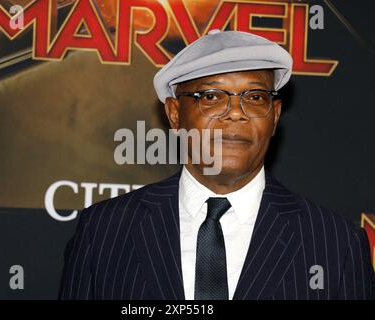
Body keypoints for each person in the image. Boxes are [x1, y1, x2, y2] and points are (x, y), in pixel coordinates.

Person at [59, 30, 375, 300]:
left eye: (254, 97)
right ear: (174, 113)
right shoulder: (104, 231)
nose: (235, 113)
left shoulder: (335, 242)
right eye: (211, 96)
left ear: (275, 115)